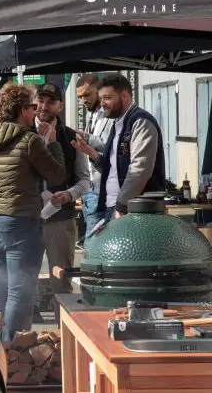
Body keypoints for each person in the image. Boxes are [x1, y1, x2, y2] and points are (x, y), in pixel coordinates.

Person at [0, 84, 66, 342]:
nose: (36, 111)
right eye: (33, 107)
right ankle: (10, 349)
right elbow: (57, 175)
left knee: (0, 288)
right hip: (21, 223)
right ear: (23, 111)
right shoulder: (29, 141)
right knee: (19, 292)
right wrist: (53, 144)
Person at [72, 73, 165, 220]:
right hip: (113, 206)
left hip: (134, 211)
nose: (102, 103)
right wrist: (91, 154)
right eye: (101, 98)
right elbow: (113, 168)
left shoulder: (140, 122)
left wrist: (121, 207)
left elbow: (140, 169)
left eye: (107, 98)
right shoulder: (118, 124)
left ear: (125, 96)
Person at [33, 83, 90, 295]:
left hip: (60, 219)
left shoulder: (71, 136)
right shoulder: (22, 132)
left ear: (61, 106)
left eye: (51, 102)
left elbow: (85, 180)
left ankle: (62, 327)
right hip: (27, 219)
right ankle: (22, 329)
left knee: (62, 281)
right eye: (41, 100)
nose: (44, 106)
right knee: (25, 282)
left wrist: (69, 194)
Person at [74, 74, 114, 234]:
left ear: (99, 90)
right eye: (80, 97)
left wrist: (86, 137)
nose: (83, 100)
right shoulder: (92, 114)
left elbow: (109, 146)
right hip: (89, 187)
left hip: (102, 188)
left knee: (93, 241)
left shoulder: (110, 115)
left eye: (87, 94)